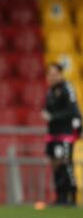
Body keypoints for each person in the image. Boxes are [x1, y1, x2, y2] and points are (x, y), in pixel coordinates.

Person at [42, 63, 81, 206]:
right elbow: (47, 109)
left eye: (54, 74)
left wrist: (78, 129)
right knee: (55, 165)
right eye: (49, 74)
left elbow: (73, 111)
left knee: (66, 164)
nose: (51, 77)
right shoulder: (50, 91)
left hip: (65, 133)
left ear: (60, 74)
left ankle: (71, 196)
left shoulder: (67, 88)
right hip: (52, 134)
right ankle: (60, 197)